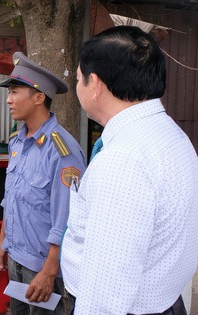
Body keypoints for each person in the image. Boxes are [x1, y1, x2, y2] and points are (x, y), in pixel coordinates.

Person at [61, 26, 198, 314]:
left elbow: (106, 292)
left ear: (95, 84)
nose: (77, 87)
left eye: (78, 79)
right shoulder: (172, 136)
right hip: (165, 302)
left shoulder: (124, 160)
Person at [0, 51, 86, 315]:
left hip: (45, 266)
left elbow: (68, 217)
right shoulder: (17, 142)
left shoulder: (62, 149)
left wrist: (49, 269)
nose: (8, 100)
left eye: (15, 92)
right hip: (17, 258)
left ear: (39, 97)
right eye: (9, 93)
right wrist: (2, 242)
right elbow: (11, 199)